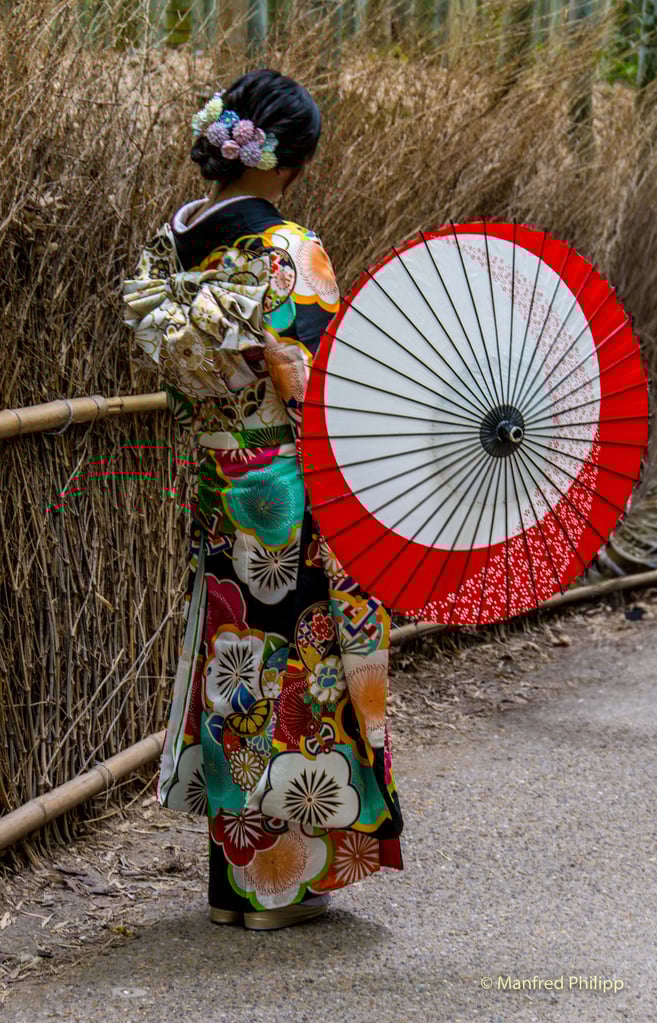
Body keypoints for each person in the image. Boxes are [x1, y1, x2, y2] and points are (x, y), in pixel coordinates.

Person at [126, 68, 403, 931]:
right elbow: (319, 384)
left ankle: (234, 886)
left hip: (218, 482)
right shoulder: (287, 249)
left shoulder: (170, 245)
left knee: (232, 671)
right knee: (300, 677)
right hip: (289, 487)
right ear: (291, 163)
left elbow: (177, 352)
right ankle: (278, 890)